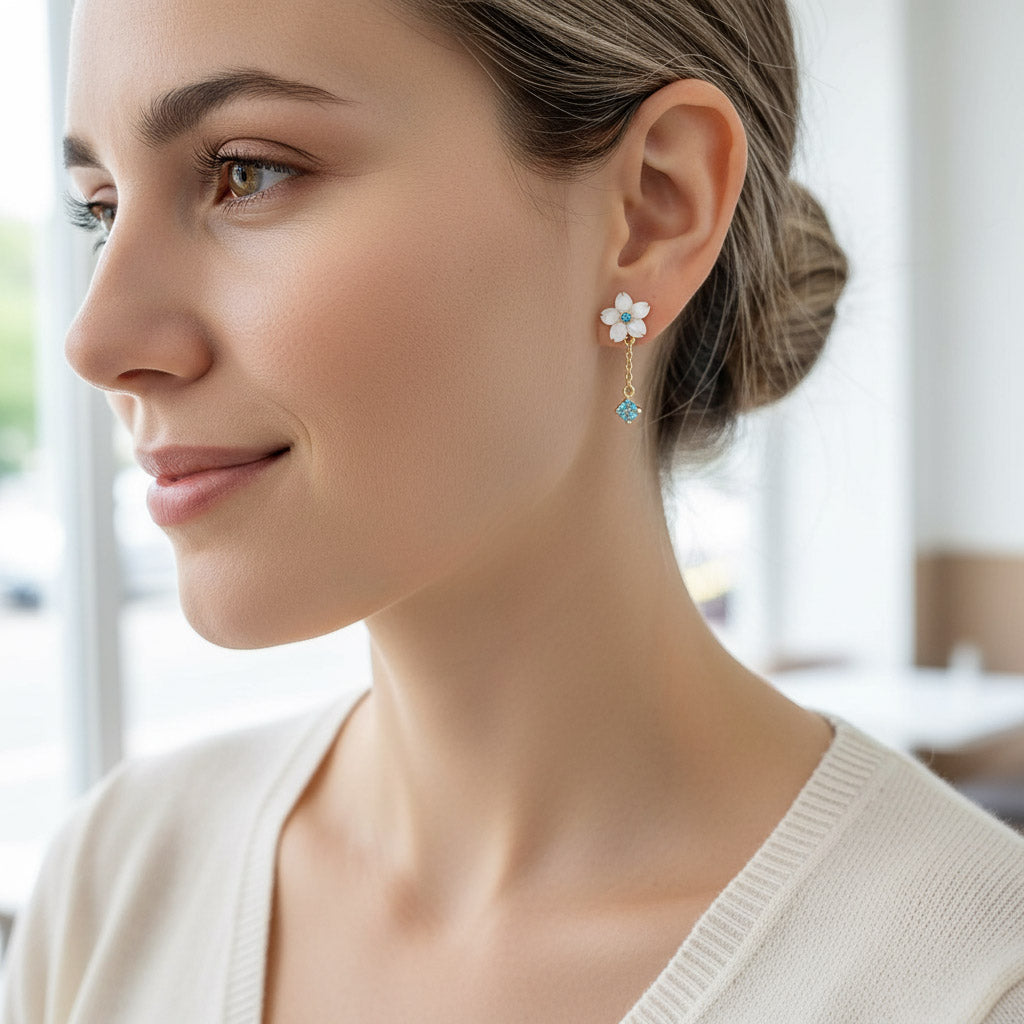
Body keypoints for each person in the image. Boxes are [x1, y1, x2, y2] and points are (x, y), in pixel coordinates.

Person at [4, 0, 1024, 1020]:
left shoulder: (968, 981)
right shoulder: (116, 883)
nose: (96, 340)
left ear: (653, 212)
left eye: (248, 170)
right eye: (98, 207)